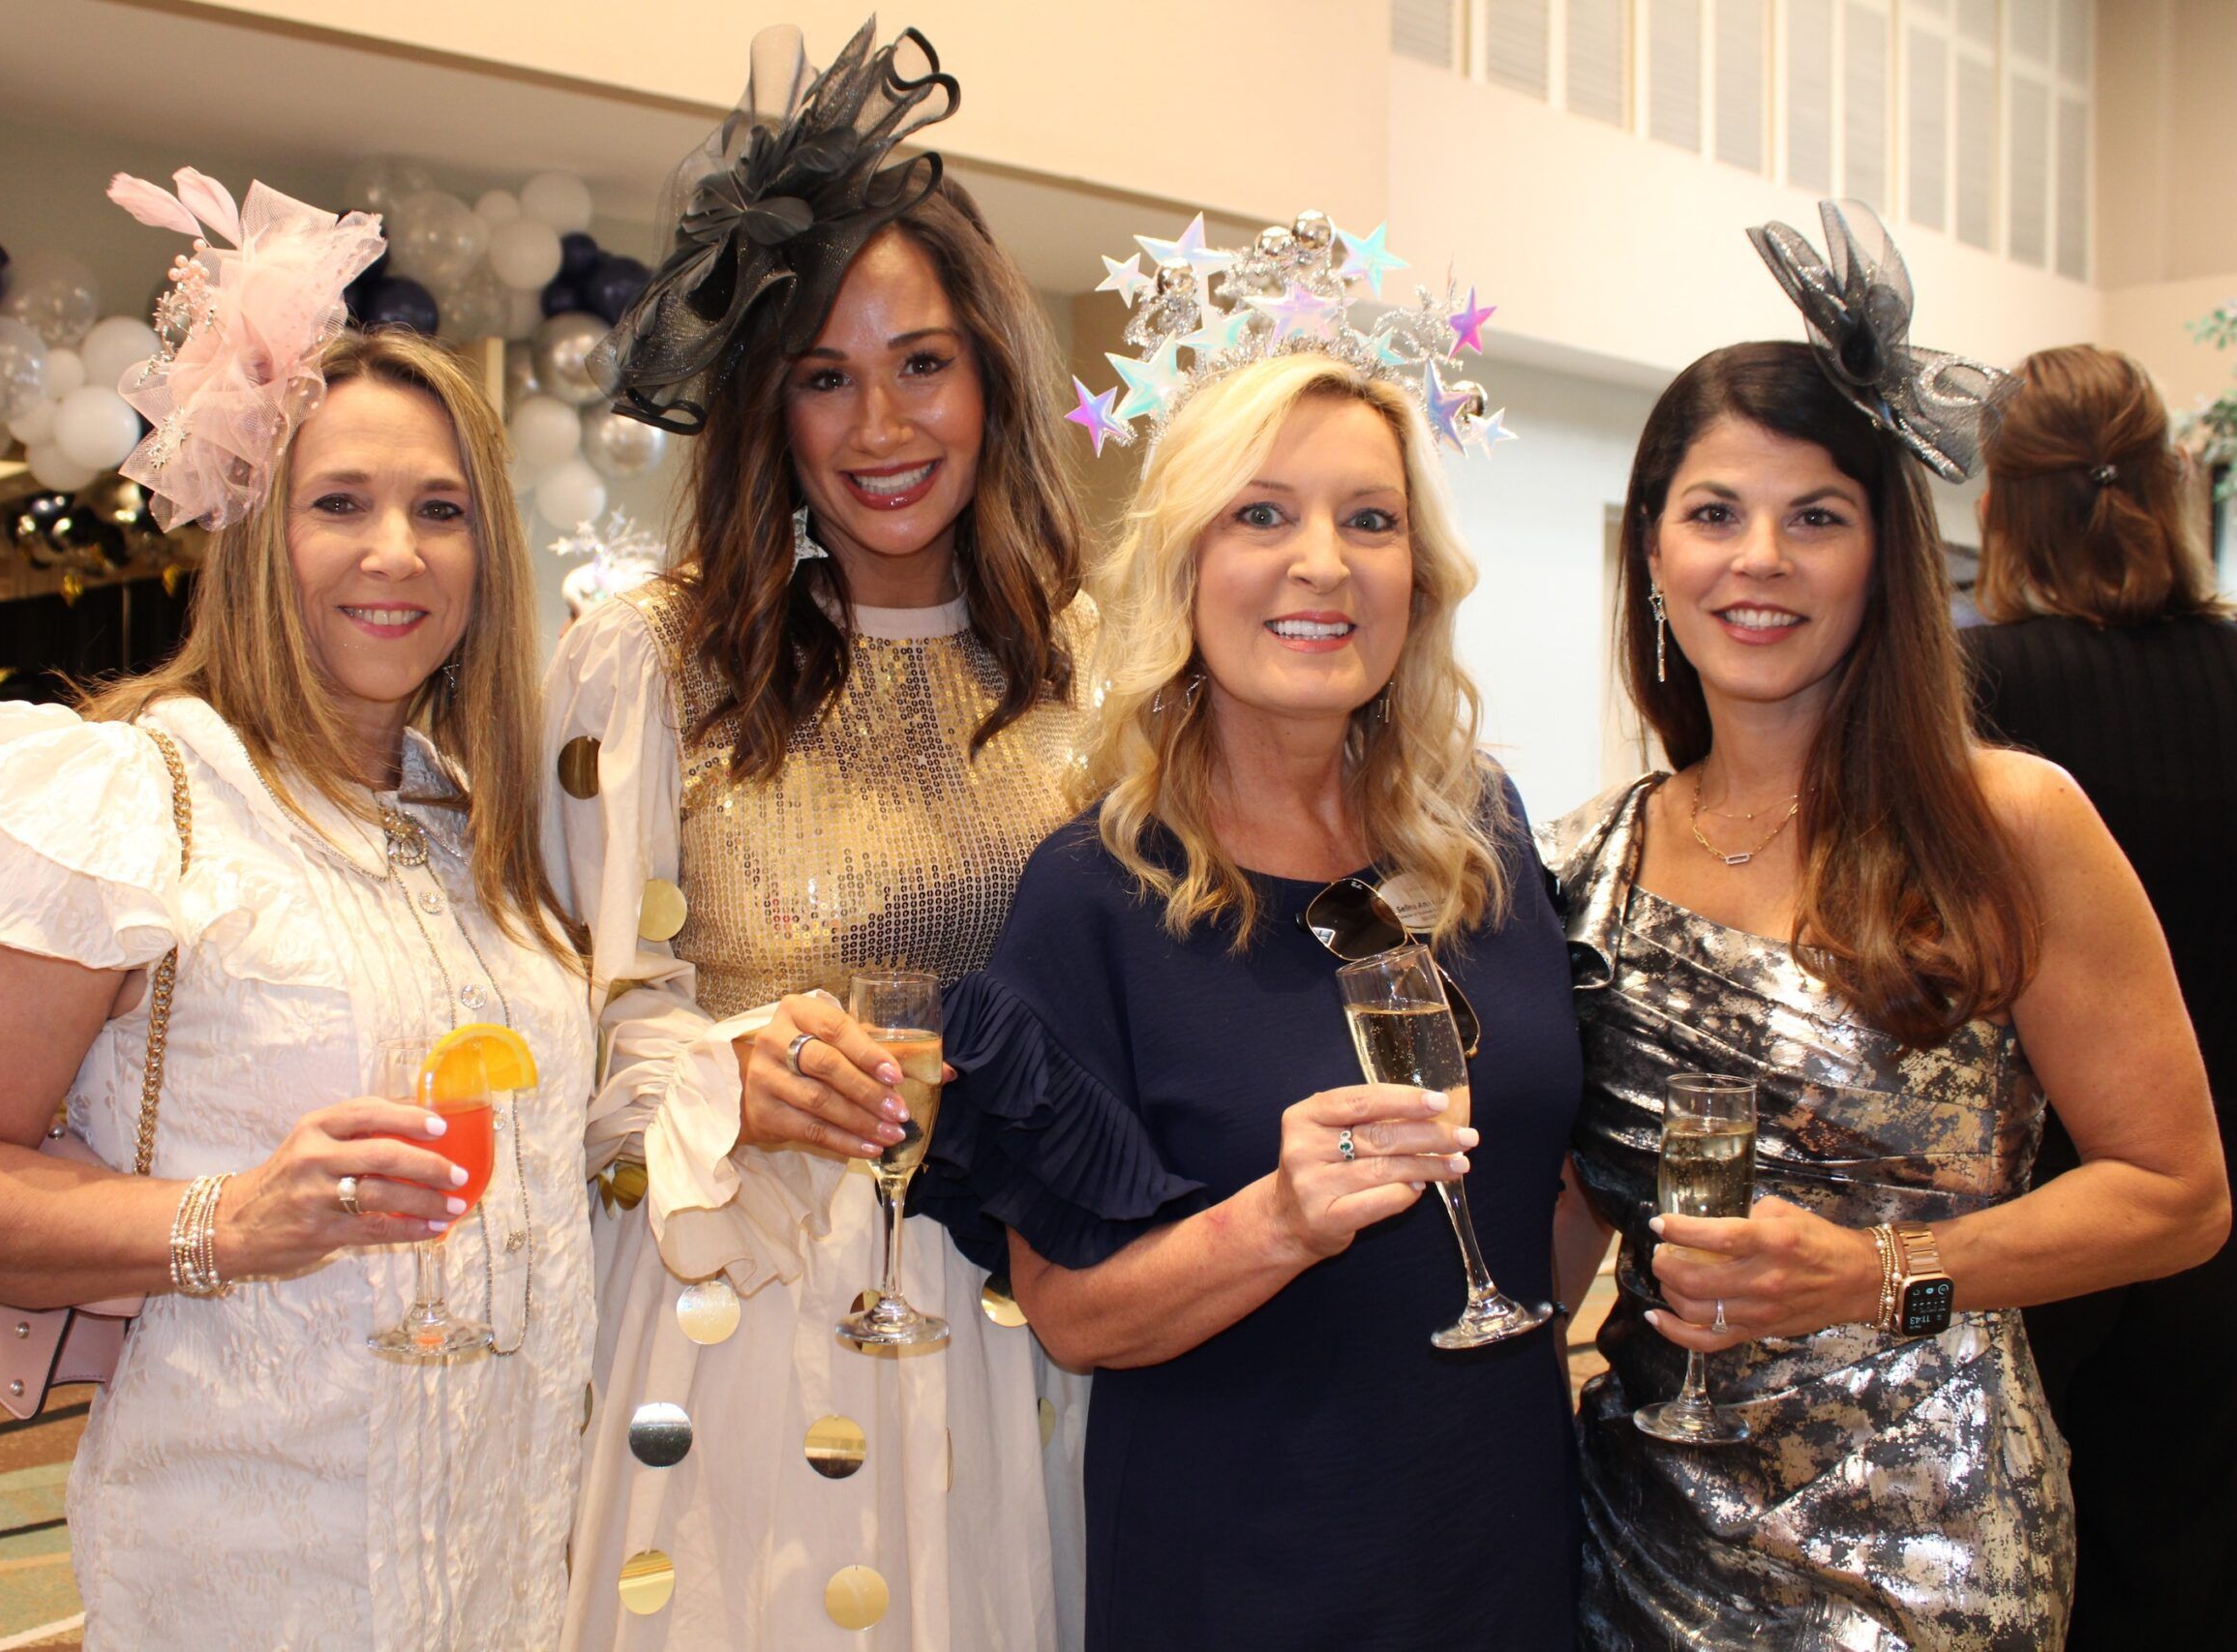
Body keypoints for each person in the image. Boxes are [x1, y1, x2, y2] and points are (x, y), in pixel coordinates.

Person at [0, 172, 596, 1651]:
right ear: (254, 528)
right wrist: (228, 1220)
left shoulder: (478, 832)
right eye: (339, 504)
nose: (397, 552)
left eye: (441, 511)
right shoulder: (132, 802)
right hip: (251, 1576)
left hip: (509, 1576)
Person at [1541, 201, 2228, 1650]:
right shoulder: (1582, 863)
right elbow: (1564, 1218)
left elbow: (2177, 1193)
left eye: (1817, 517)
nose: (1761, 559)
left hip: (1935, 1539)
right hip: (1643, 1526)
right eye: (1714, 514)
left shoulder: (2007, 823)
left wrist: (1879, 1276)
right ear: (1652, 553)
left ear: (1884, 558)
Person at [920, 215, 1584, 1650]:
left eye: (1370, 520)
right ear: (1184, 568)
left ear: (1419, 575)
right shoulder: (1094, 897)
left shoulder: (1486, 843)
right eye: (1262, 516)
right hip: (1242, 1581)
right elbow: (1075, 1317)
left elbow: (1557, 1189)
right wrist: (1277, 1223)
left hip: (1504, 1546)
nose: (1322, 564)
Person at [547, 22, 1092, 1650]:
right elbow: (583, 1009)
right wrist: (729, 1070)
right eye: (824, 377)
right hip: (745, 1320)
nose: (879, 427)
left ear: (991, 379)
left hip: (1013, 1322)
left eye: (921, 364)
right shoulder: (651, 661)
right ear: (768, 410)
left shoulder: (1092, 675)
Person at [1966, 344, 2237, 1649]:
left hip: (2041, 1209)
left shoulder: (1974, 690)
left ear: (1994, 505)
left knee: (2028, 1565)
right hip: (2217, 1205)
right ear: (2176, 482)